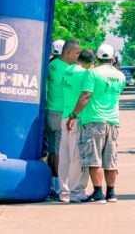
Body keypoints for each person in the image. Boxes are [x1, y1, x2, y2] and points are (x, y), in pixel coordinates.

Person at [66, 43, 126, 203]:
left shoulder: (92, 73)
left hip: (94, 120)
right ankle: (111, 193)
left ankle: (98, 193)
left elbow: (86, 95)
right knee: (110, 158)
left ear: (98, 57)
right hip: (113, 121)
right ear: (113, 58)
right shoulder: (120, 76)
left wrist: (73, 115)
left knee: (95, 158)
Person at [57, 49, 95, 203]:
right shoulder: (85, 74)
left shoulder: (67, 70)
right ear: (89, 63)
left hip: (65, 115)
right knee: (77, 157)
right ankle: (76, 191)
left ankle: (64, 191)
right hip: (77, 118)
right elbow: (86, 94)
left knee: (65, 156)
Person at [45, 39, 81, 198]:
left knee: (52, 150)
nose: (77, 56)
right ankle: (61, 188)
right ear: (68, 52)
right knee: (62, 153)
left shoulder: (51, 65)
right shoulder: (69, 70)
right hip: (61, 113)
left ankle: (53, 185)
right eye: (76, 53)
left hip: (50, 111)